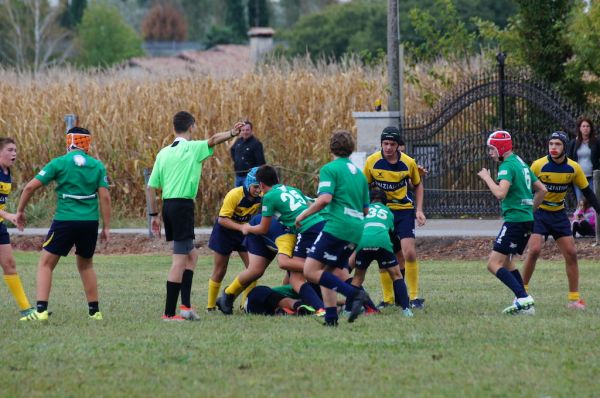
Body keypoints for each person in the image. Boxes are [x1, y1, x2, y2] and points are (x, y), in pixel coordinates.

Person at [146, 111, 244, 321]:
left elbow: (150, 187)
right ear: (191, 127)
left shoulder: (163, 153)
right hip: (182, 207)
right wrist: (232, 132)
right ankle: (169, 314)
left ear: (174, 128)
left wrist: (154, 215)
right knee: (179, 260)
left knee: (192, 256)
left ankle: (186, 307)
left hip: (169, 207)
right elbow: (214, 140)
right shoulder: (192, 148)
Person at [17, 127, 111, 321]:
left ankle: (41, 311)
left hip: (65, 221)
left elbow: (29, 187)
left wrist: (19, 211)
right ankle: (95, 312)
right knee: (86, 265)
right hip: (89, 223)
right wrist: (106, 227)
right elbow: (105, 198)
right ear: (87, 143)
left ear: (69, 142)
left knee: (45, 264)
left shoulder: (59, 163)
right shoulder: (97, 166)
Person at [219, 165, 326, 315]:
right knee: (256, 270)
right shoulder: (290, 231)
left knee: (296, 275)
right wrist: (247, 228)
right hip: (262, 232)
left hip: (278, 229)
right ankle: (228, 295)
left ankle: (293, 303)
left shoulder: (305, 216)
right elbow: (284, 263)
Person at [295, 130, 371, 326]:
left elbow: (325, 199)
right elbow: (365, 210)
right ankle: (331, 319)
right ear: (351, 149)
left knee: (310, 271)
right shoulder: (360, 175)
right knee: (326, 273)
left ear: (331, 148)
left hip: (338, 227)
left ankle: (354, 294)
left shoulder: (330, 169)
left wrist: (302, 215)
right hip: (357, 230)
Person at [522, 131, 600, 310]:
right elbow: (525, 189)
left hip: (558, 215)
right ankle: (521, 295)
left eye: (557, 144)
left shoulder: (573, 168)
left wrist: (598, 209)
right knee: (534, 250)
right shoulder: (538, 165)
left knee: (571, 253)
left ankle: (574, 300)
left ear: (564, 147)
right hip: (539, 214)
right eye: (551, 144)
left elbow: (587, 191)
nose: (553, 148)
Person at [477, 130, 547, 315]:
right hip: (526, 220)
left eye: (492, 149)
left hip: (515, 221)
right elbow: (542, 190)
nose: (490, 153)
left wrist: (486, 178)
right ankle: (525, 304)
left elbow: (501, 193)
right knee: (507, 263)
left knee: (493, 264)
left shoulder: (507, 165)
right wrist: (529, 210)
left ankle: (523, 298)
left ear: (500, 148)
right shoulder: (520, 162)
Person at [363, 126, 426, 309]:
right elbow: (363, 187)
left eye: (392, 144)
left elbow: (418, 185)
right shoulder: (372, 162)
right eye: (385, 143)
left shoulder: (408, 162)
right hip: (382, 212)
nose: (388, 148)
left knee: (409, 252)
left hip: (404, 210)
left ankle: (413, 297)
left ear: (399, 145)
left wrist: (419, 210)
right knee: (385, 254)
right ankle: (388, 299)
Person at [350, 188, 413, 317]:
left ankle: (347, 310)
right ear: (385, 201)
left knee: (357, 278)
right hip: (382, 242)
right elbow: (392, 233)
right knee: (396, 276)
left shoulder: (364, 211)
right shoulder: (388, 212)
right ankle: (406, 310)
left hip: (363, 242)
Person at [207, 167, 262, 312]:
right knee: (220, 269)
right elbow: (222, 219)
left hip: (243, 232)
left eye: (261, 187)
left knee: (254, 269)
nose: (258, 190)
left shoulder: (262, 196)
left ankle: (245, 305)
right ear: (248, 184)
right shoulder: (234, 194)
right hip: (224, 232)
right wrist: (241, 227)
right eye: (255, 187)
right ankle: (211, 306)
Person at [0, 138, 36, 319]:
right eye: (10, 150)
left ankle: (27, 310)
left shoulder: (6, 173)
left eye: (15, 150)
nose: (14, 153)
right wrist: (9, 216)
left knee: (10, 264)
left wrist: (10, 217)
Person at [566, 118, 600, 201]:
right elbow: (569, 159)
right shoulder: (574, 143)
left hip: (592, 176)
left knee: (592, 201)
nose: (585, 128)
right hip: (578, 177)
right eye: (583, 126)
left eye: (588, 126)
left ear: (591, 128)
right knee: (580, 202)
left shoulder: (596, 142)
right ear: (580, 128)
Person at [230, 120, 266, 187]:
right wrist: (237, 161)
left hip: (250, 178)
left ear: (251, 131)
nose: (245, 132)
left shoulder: (256, 143)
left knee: (247, 196)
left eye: (247, 130)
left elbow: (261, 162)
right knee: (238, 196)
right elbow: (232, 150)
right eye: (243, 130)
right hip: (238, 176)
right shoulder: (238, 142)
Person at [243, 285, 316, 316]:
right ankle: (299, 306)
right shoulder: (301, 287)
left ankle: (291, 310)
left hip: (266, 308)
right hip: (256, 296)